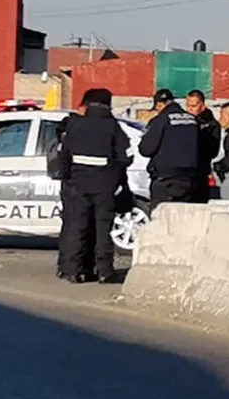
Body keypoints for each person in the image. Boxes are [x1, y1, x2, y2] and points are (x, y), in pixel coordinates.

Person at [55, 87, 131, 284]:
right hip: (104, 186)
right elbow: (126, 156)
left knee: (76, 227)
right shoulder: (112, 126)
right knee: (102, 228)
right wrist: (114, 176)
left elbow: (63, 154)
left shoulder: (75, 125)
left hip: (77, 184)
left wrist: (67, 177)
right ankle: (104, 271)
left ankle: (73, 270)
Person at [138, 88, 201, 214]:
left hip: (166, 180)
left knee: (160, 218)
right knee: (183, 218)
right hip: (189, 180)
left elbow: (146, 149)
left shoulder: (160, 120)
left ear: (159, 104)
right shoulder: (192, 120)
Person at [186, 89, 221, 203]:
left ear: (202, 105)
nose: (190, 109)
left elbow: (213, 151)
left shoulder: (211, 125)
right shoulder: (186, 121)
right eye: (188, 105)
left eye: (194, 106)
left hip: (200, 171)